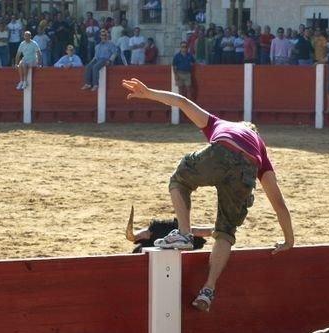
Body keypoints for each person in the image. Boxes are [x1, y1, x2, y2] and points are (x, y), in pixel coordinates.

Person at [121, 77, 294, 312]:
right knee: (226, 232)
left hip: (223, 150)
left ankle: (183, 233)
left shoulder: (220, 123)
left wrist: (149, 92)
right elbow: (279, 204)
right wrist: (288, 240)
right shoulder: (259, 149)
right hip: (248, 170)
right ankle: (208, 289)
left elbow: (182, 101)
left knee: (179, 179)